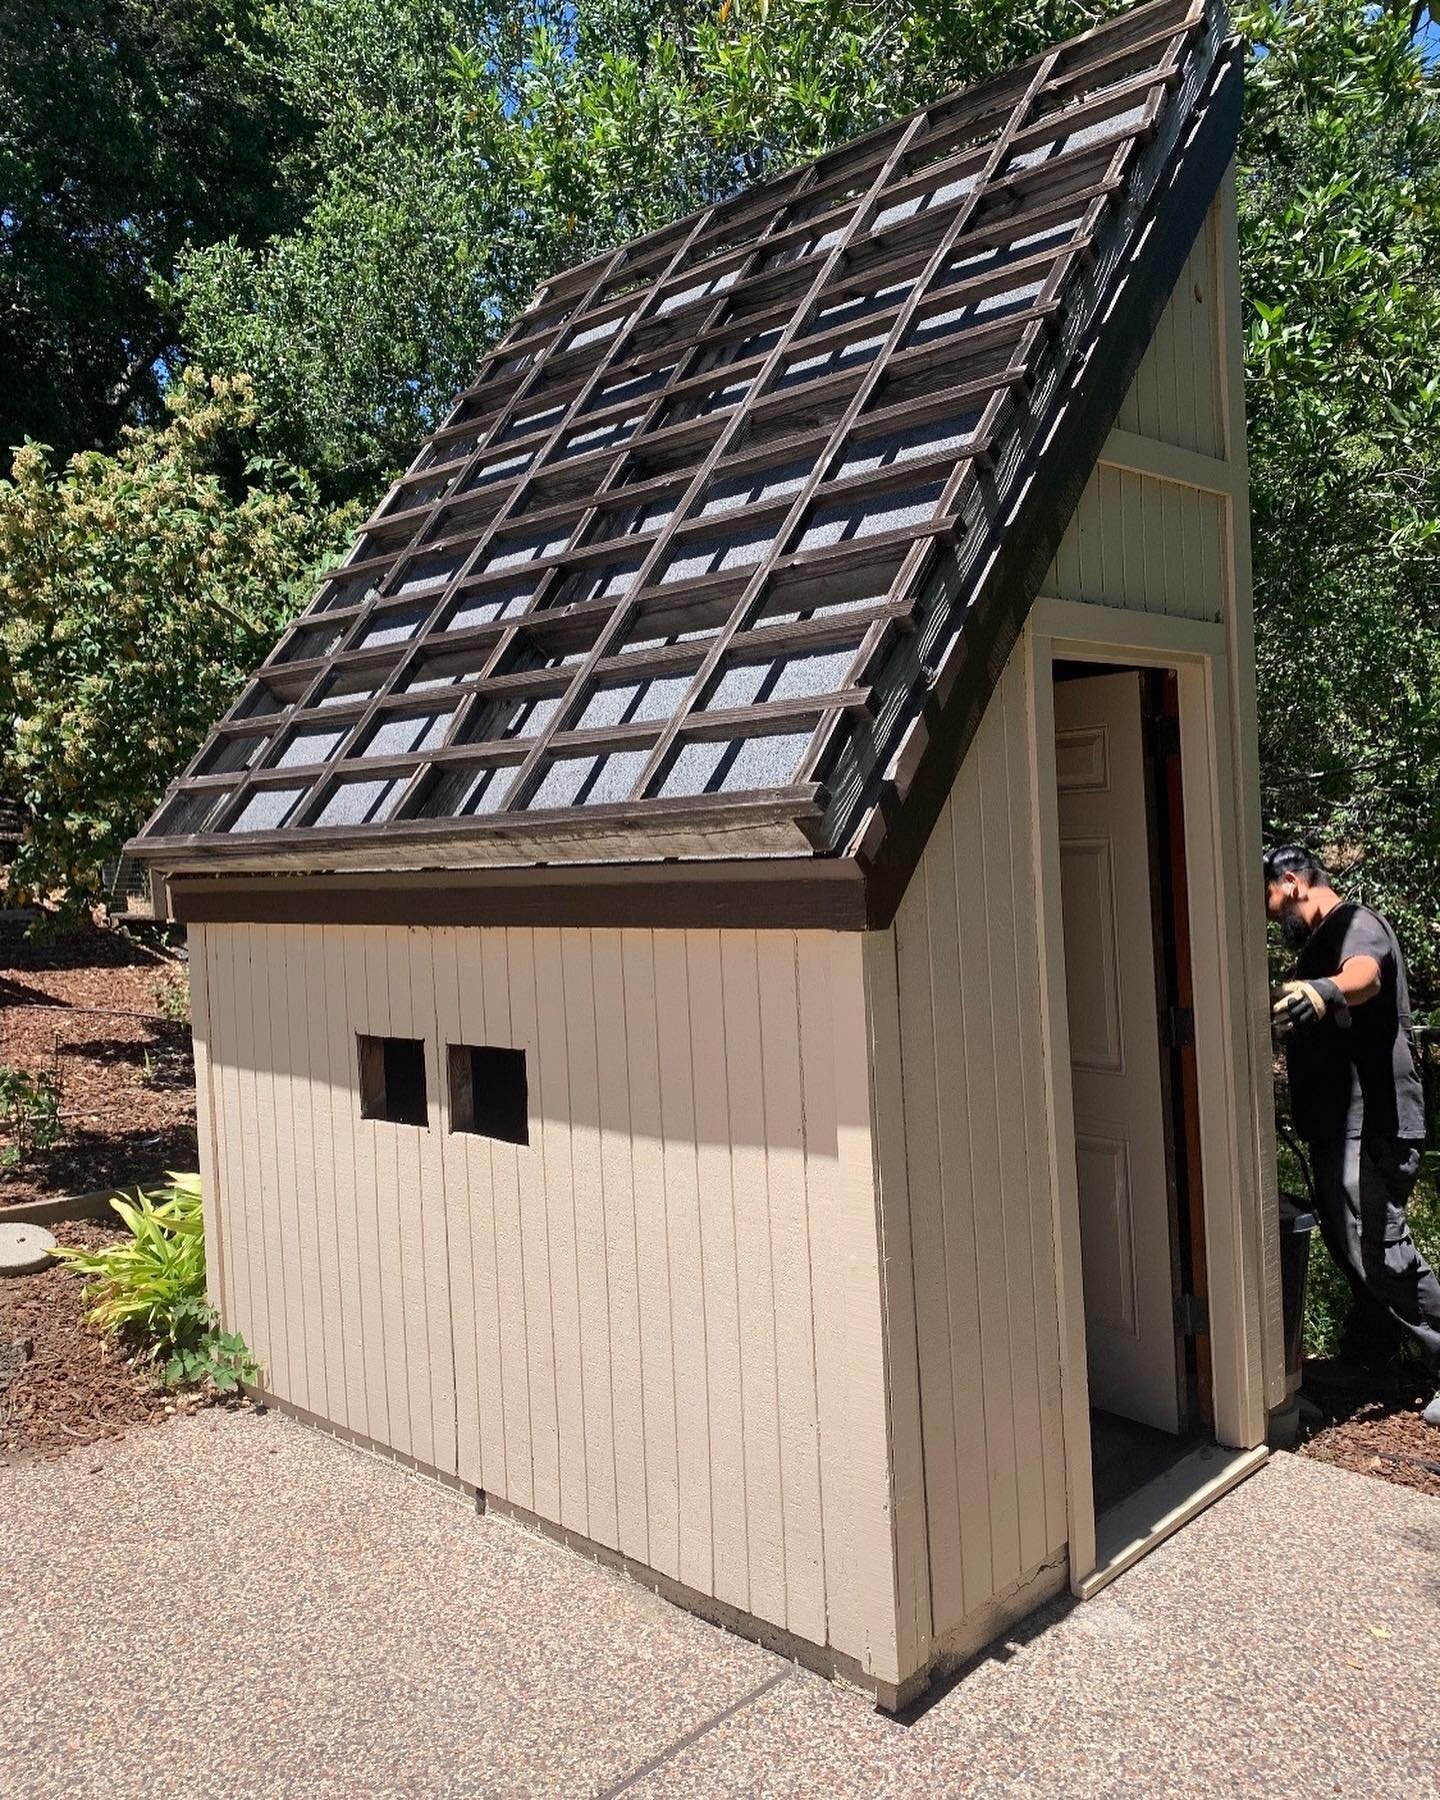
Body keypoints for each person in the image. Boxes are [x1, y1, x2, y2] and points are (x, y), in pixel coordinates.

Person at [1264, 845, 1440, 1427]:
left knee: (1374, 1245)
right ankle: (1372, 1361)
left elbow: (1365, 975)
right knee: (1352, 1241)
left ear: (1291, 882)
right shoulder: (1318, 944)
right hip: (1342, 1126)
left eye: (1269, 900)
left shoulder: (1355, 924)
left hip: (1373, 1123)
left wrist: (1325, 991)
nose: (1271, 916)